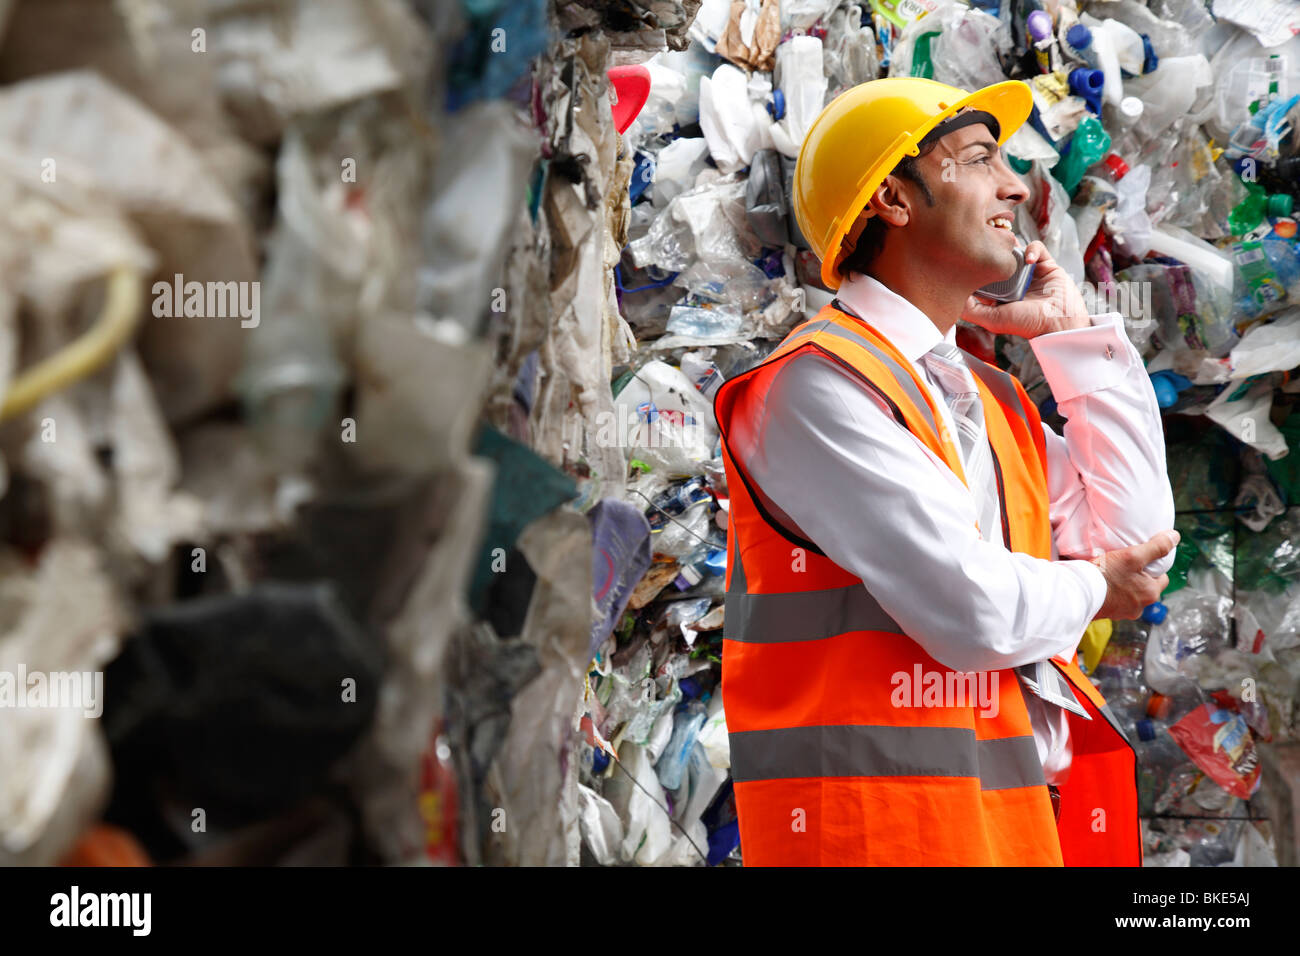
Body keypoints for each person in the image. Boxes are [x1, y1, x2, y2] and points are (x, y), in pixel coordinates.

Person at [712, 77, 1178, 866]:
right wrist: (1097, 586)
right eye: (980, 159)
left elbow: (1139, 543)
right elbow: (973, 611)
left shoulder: (983, 395)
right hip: (874, 838)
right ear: (895, 199)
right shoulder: (815, 385)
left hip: (1003, 827)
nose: (1015, 186)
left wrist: (1071, 340)